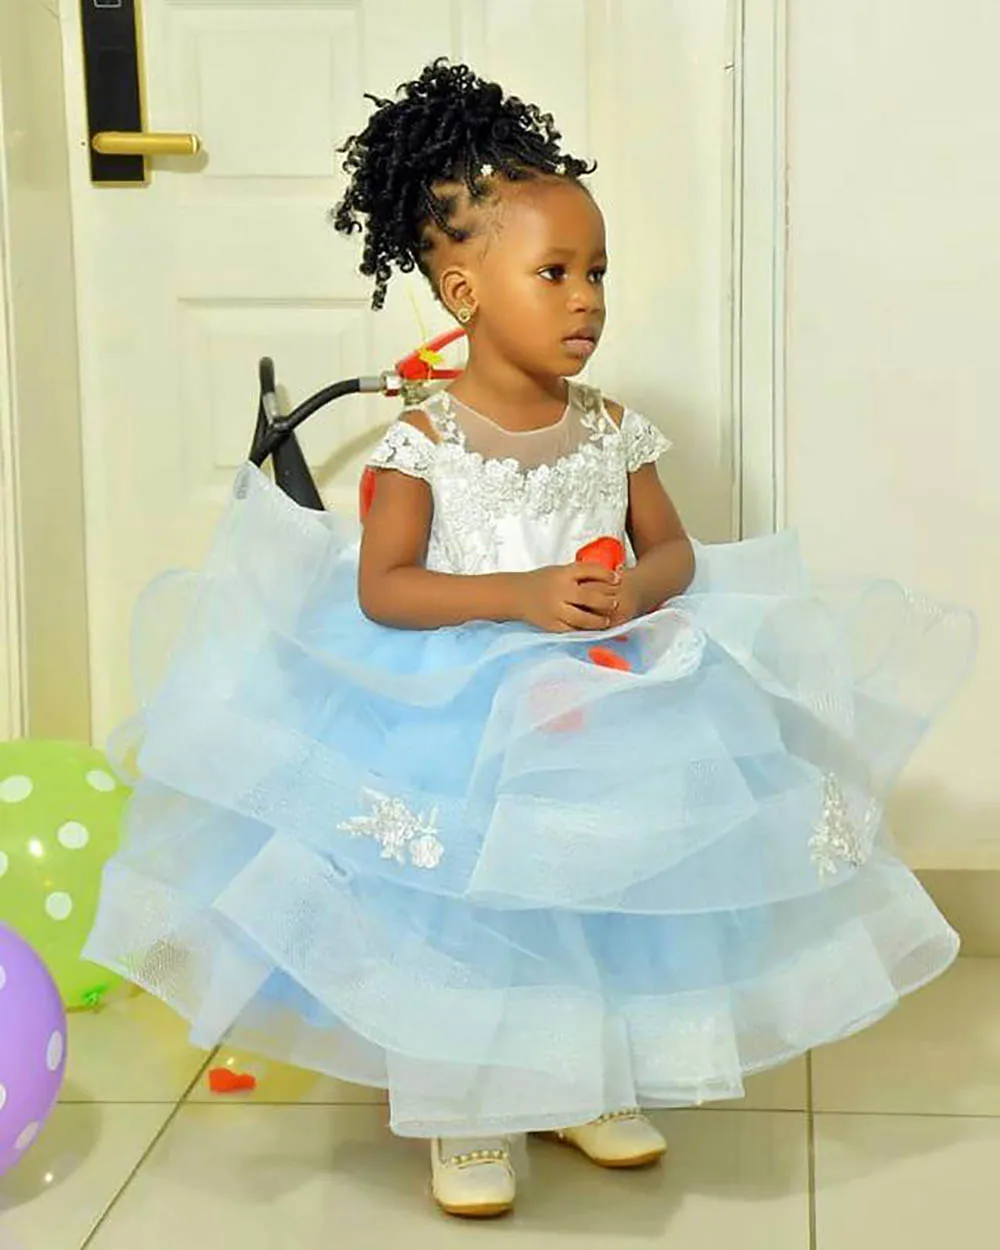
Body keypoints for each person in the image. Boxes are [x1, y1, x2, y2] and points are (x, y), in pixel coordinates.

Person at [85, 59, 975, 1220]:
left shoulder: (610, 428)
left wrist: (633, 592)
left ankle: (577, 1077)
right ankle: (461, 1104)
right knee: (465, 907)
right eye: (553, 272)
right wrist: (518, 593)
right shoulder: (425, 441)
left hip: (599, 694)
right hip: (456, 705)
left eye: (597, 272)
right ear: (463, 291)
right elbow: (385, 590)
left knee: (591, 888)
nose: (585, 299)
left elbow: (674, 550)